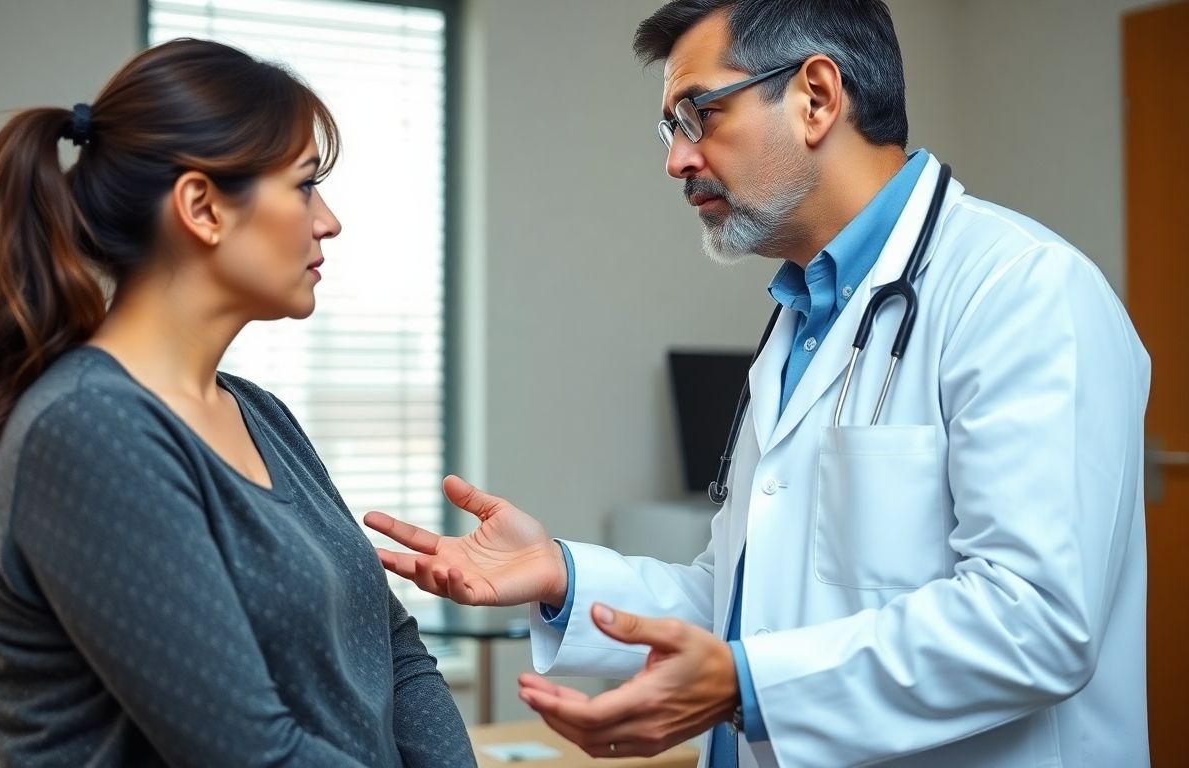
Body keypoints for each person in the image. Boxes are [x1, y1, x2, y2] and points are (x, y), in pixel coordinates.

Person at [365, 1, 1150, 766]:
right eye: (671, 128)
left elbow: (1037, 621)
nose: (676, 159)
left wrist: (746, 684)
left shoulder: (1024, 291)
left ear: (816, 96)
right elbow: (744, 599)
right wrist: (563, 575)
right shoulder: (802, 315)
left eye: (697, 114)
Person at [0, 38, 475, 768]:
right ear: (201, 207)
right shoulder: (90, 429)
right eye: (304, 185)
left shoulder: (262, 416)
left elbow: (393, 649)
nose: (329, 221)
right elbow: (250, 753)